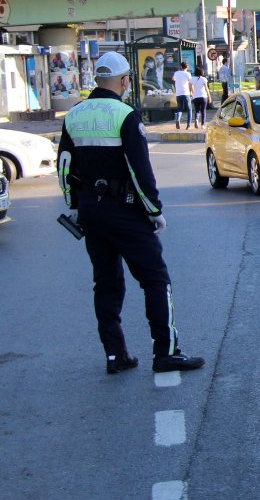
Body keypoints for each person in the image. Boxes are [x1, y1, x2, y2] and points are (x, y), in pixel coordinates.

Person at [57, 52, 205, 375]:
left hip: (90, 213)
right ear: (124, 81)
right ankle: (166, 352)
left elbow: (64, 167)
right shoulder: (125, 115)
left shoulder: (73, 116)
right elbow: (140, 171)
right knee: (155, 278)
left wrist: (75, 204)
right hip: (125, 210)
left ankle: (115, 355)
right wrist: (154, 211)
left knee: (106, 283)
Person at [172, 61, 193, 130]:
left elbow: (173, 79)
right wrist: (191, 92)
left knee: (179, 108)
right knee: (189, 109)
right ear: (187, 67)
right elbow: (190, 84)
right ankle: (188, 125)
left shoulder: (176, 73)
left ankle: (178, 119)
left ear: (181, 66)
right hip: (186, 93)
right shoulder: (188, 74)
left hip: (178, 93)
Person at [191, 65, 211, 130]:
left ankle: (196, 119)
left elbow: (190, 88)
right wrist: (209, 96)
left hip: (195, 97)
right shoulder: (203, 79)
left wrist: (192, 94)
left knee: (197, 110)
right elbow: (206, 88)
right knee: (203, 111)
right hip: (203, 96)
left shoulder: (192, 79)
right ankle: (202, 125)